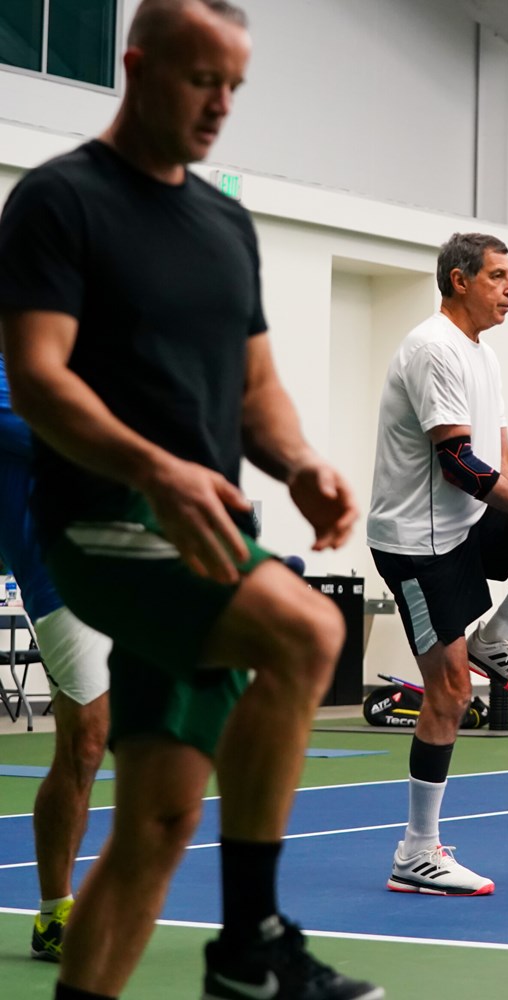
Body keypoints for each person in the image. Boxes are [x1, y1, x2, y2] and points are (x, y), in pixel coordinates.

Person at [0, 3, 380, 998]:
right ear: (137, 67)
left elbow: (257, 389)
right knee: (307, 629)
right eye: (201, 79)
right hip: (104, 526)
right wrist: (156, 471)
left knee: (156, 827)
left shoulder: (225, 223)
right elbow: (37, 377)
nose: (220, 105)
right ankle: (251, 943)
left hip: (205, 538)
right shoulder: (59, 202)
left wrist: (300, 462)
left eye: (234, 87)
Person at [366, 232, 508, 895]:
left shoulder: (482, 354)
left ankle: (499, 637)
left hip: (465, 523)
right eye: (499, 276)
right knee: (450, 695)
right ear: (460, 281)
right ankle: (416, 853)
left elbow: (502, 461)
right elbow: (459, 465)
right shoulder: (432, 349)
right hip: (417, 545)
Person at [0, 354, 113, 963]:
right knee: (85, 742)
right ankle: (55, 913)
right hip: (59, 575)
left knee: (124, 742)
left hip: (123, 562)